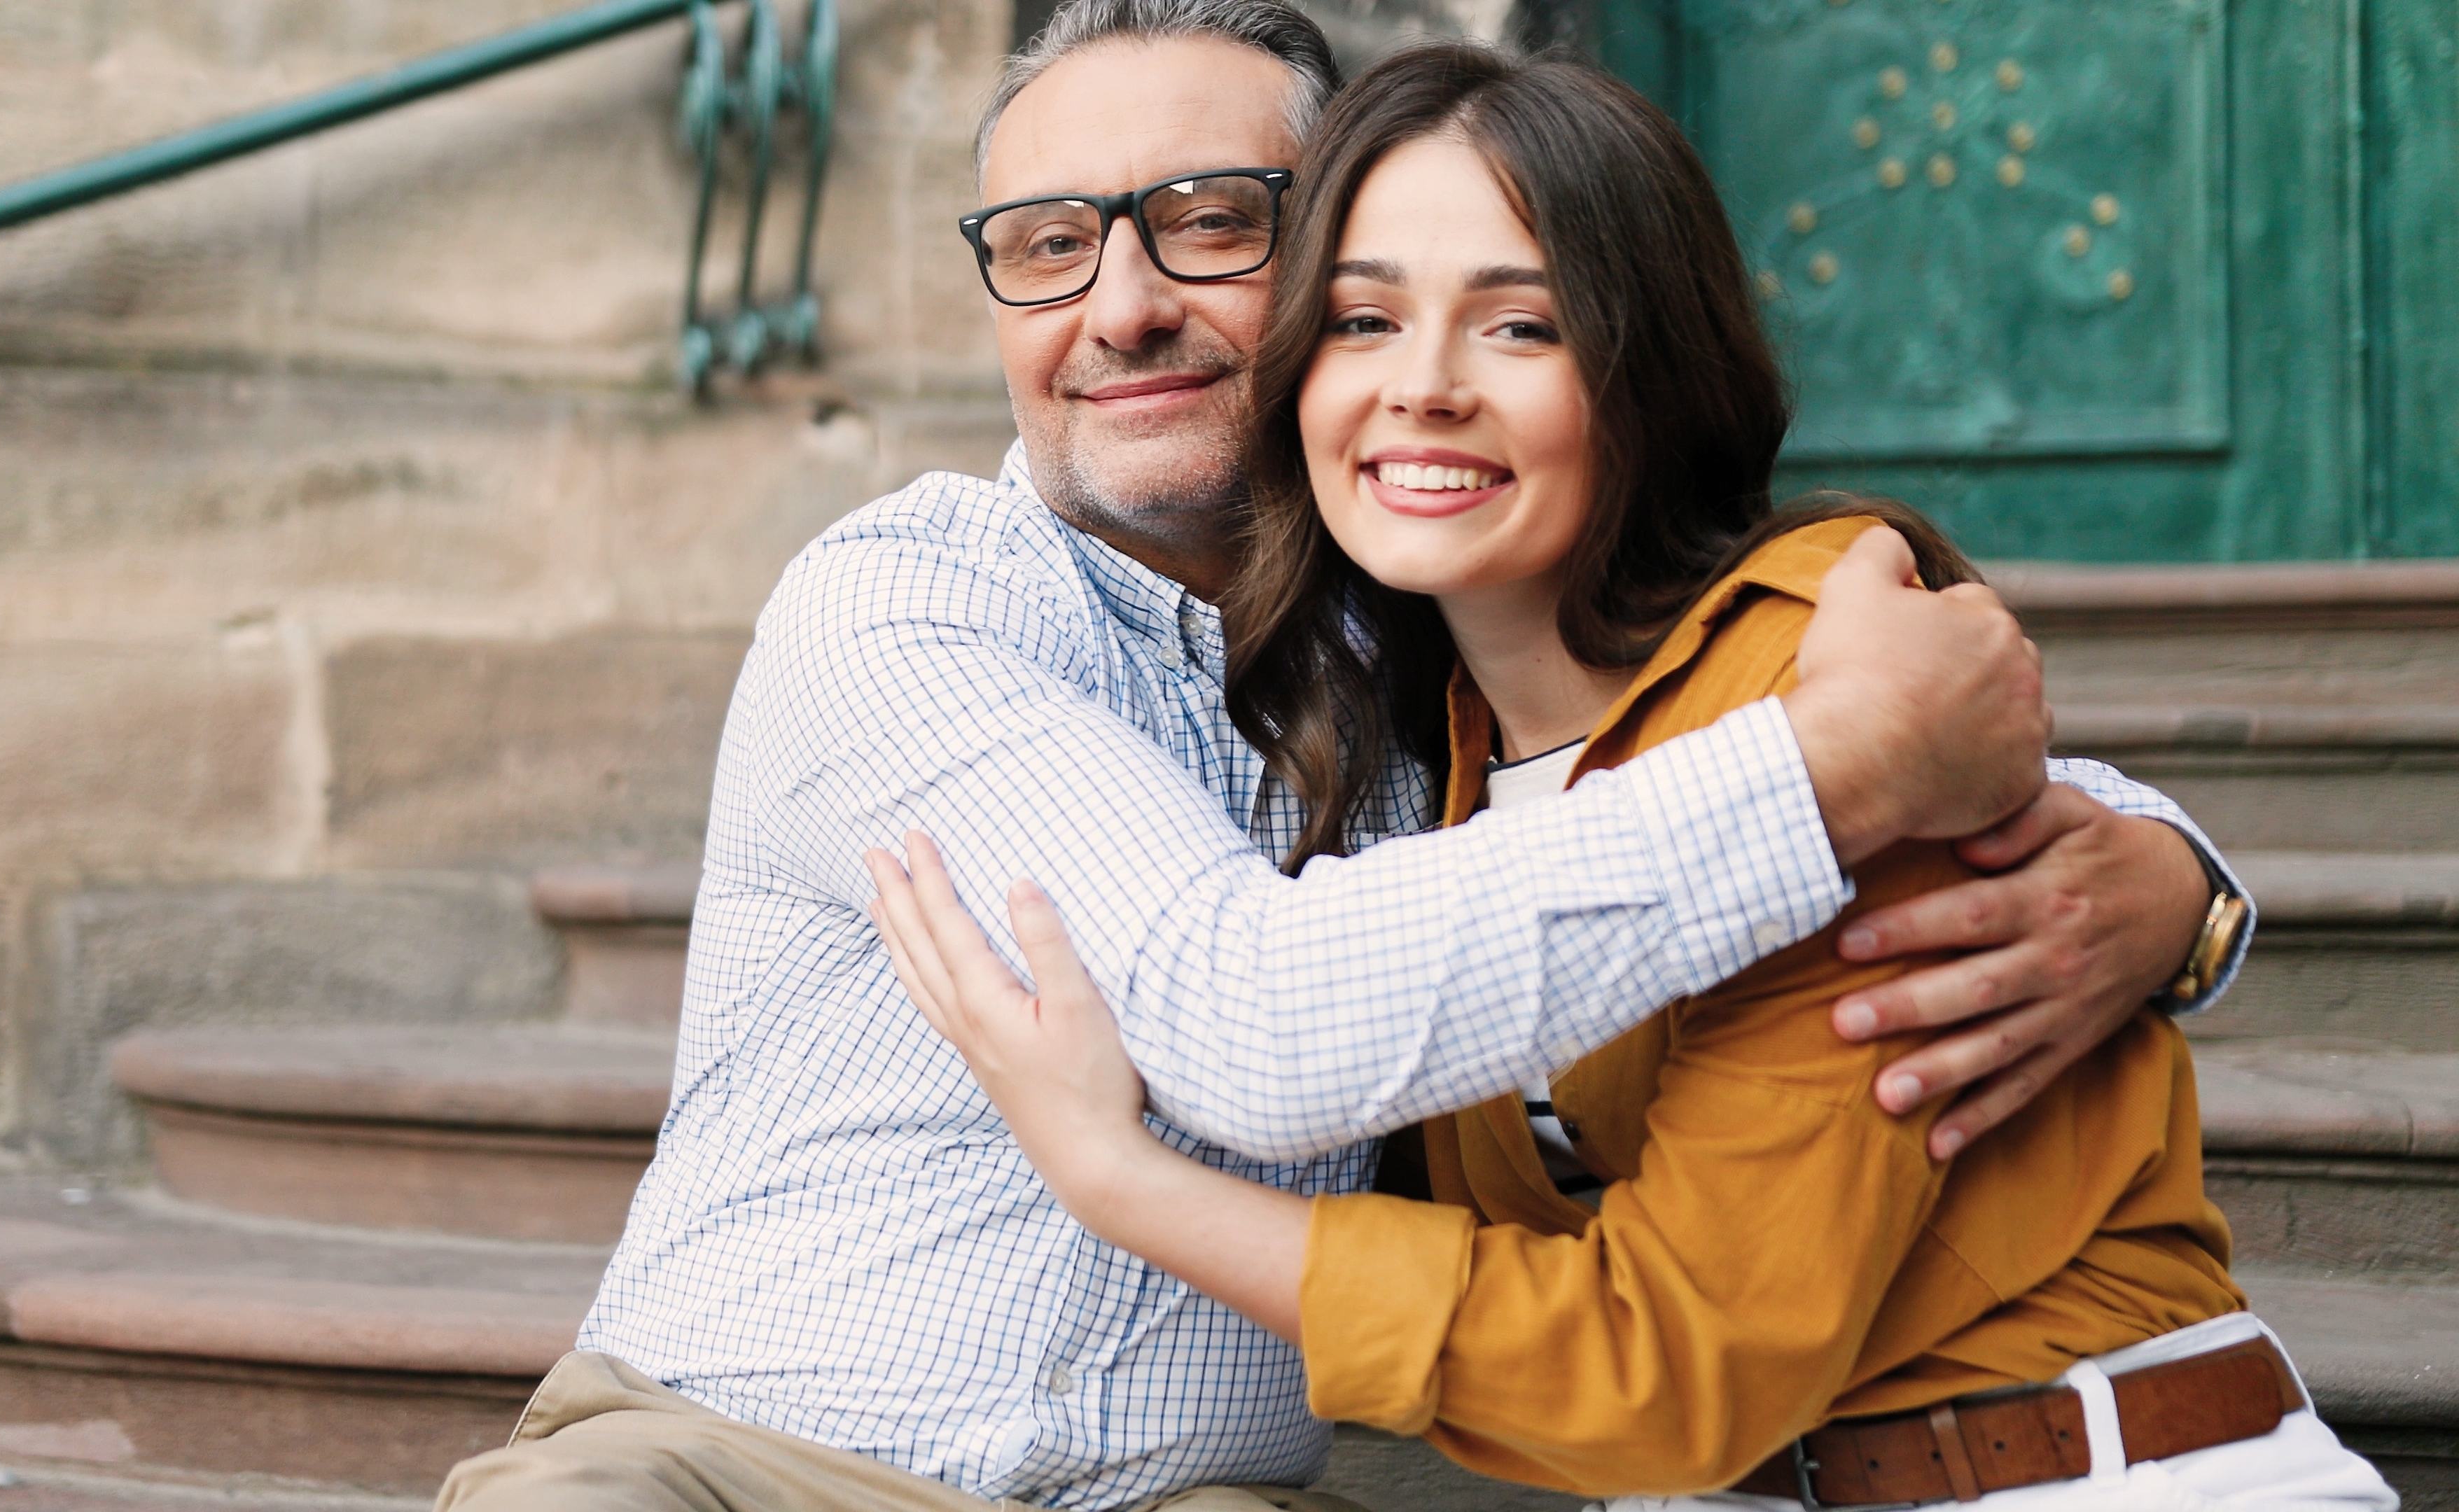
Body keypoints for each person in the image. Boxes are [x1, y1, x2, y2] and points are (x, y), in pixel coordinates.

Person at [434, 4, 2248, 1509]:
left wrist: (2158, 868)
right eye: (1051, 243)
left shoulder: (1439, 650)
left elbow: (1696, 684)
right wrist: (1843, 768)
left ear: (1336, 284)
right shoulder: (905, 606)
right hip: (730, 1471)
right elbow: (1247, 1018)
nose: (1122, 303)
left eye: (1212, 218)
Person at [864, 42, 2389, 1512]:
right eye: (1362, 321)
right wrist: (2171, 866)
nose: (1425, 388)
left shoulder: (1823, 671)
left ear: (1647, 376)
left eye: (1520, 326)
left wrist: (1115, 1178)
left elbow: (1666, 1367)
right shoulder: (1418, 744)